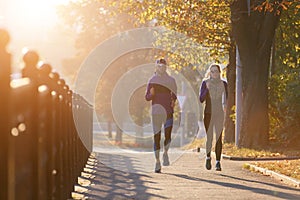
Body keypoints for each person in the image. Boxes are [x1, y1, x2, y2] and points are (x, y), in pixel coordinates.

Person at [145, 58, 177, 173]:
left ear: (166, 67)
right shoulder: (152, 80)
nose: (161, 68)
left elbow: (175, 94)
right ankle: (157, 162)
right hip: (156, 112)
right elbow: (147, 97)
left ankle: (165, 153)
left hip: (168, 111)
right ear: (156, 67)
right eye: (159, 66)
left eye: (163, 66)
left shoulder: (171, 80)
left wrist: (173, 100)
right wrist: (151, 94)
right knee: (156, 137)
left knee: (167, 136)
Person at [199, 63, 228, 171]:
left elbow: (227, 97)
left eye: (216, 71)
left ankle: (218, 162)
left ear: (220, 73)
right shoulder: (205, 83)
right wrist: (206, 89)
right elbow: (201, 99)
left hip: (219, 113)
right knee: (210, 137)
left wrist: (225, 106)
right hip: (208, 113)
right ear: (209, 73)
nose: (214, 73)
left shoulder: (223, 84)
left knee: (219, 138)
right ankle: (207, 157)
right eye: (212, 71)